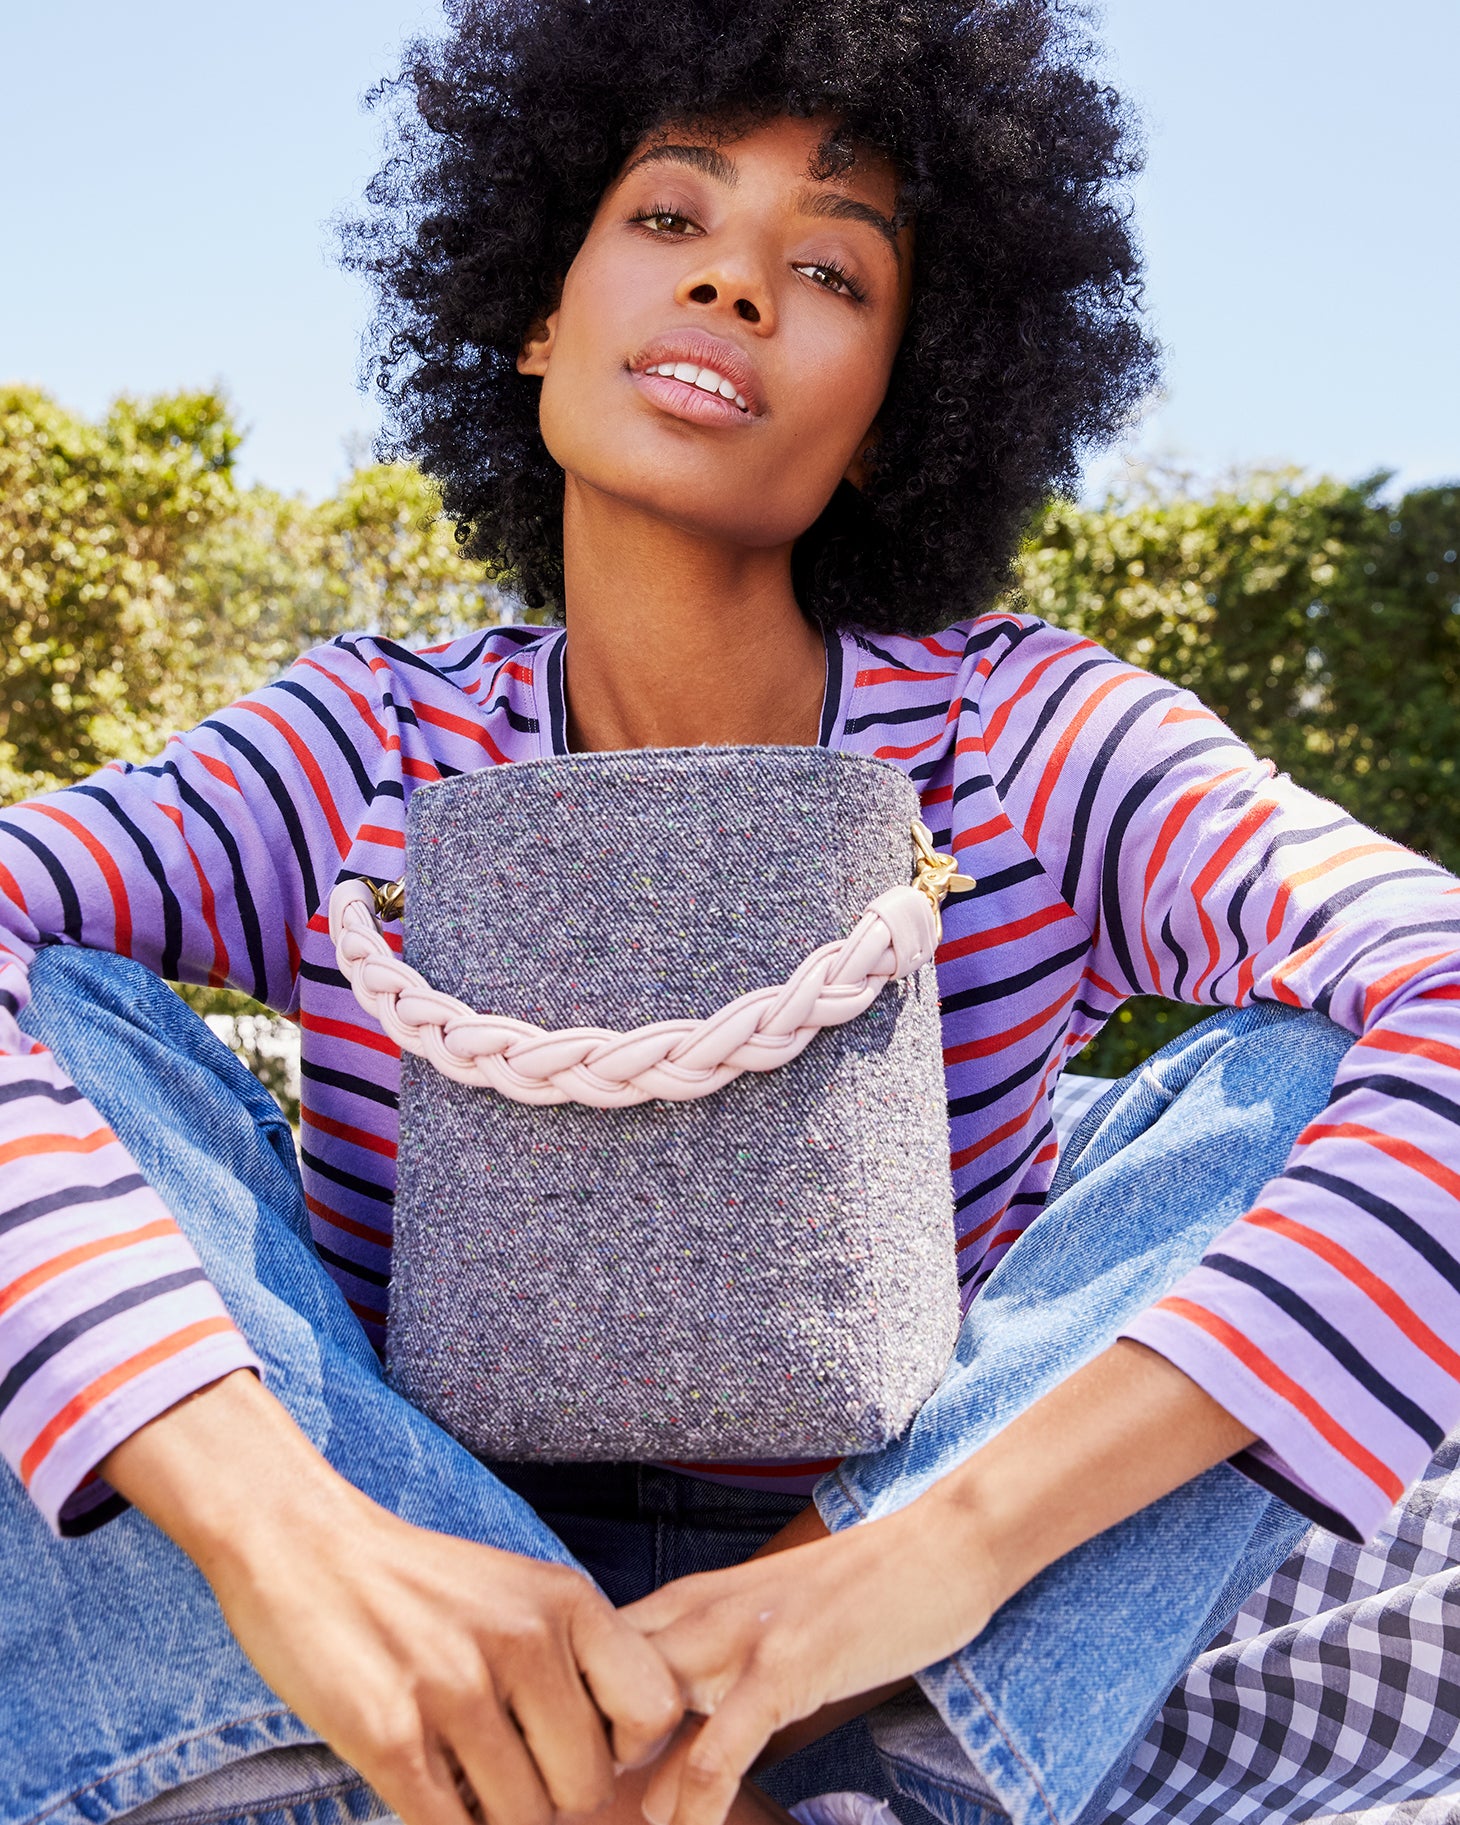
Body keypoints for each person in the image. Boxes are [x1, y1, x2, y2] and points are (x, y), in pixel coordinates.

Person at [3, 3, 1458, 1824]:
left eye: (831, 272)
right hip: (395, 1658)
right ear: (542, 313)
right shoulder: (356, 737)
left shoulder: (1031, 735)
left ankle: (747, 1777)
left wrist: (915, 1558)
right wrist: (290, 1536)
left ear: (892, 416)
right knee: (51, 1012)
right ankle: (529, 1756)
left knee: (1338, 1053)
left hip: (893, 1678)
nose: (737, 289)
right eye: (672, 222)